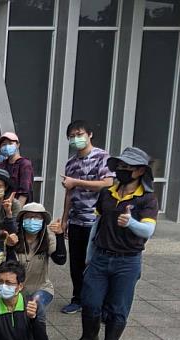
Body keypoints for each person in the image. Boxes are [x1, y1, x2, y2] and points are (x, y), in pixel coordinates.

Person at [67, 147, 158, 340]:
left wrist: (131, 223)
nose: (121, 170)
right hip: (100, 255)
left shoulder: (147, 199)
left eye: (127, 167)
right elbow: (96, 224)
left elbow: (148, 231)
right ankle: (89, 337)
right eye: (120, 166)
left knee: (118, 307)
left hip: (127, 260)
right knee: (90, 301)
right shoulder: (108, 193)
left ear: (139, 171)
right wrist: (89, 256)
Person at [59, 120, 114, 314]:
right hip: (76, 219)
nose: (76, 139)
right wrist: (64, 219)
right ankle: (78, 298)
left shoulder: (102, 157)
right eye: (72, 136)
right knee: (76, 261)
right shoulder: (71, 162)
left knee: (94, 262)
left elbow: (107, 183)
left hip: (96, 219)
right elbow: (69, 193)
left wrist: (76, 182)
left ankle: (97, 301)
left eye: (79, 134)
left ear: (89, 134)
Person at [8, 203, 67, 321]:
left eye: (37, 217)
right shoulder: (14, 239)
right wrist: (10, 247)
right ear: (22, 220)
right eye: (29, 217)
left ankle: (39, 338)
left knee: (36, 307)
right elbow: (10, 268)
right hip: (17, 289)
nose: (32, 220)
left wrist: (60, 236)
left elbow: (60, 260)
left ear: (43, 221)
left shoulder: (47, 238)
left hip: (42, 288)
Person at [0, 132, 34, 205]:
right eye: (4, 144)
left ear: (18, 145)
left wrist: (17, 212)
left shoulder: (25, 164)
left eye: (10, 143)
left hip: (19, 207)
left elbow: (24, 192)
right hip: (3, 206)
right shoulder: (2, 165)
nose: (7, 146)